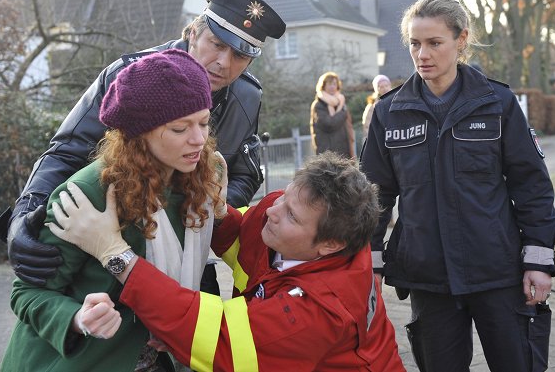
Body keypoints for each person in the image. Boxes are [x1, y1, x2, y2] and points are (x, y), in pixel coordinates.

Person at [0, 0, 286, 294]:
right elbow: (67, 151)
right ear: (194, 33)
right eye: (216, 43)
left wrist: (204, 208)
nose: (224, 62)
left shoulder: (248, 96)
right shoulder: (130, 74)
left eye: (240, 54)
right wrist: (24, 214)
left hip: (189, 254)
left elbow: (244, 171)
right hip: (113, 241)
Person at [45, 151, 405, 371]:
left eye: (292, 216)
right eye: (283, 197)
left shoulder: (319, 310)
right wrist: (214, 210)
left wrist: (114, 253)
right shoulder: (295, 218)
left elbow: (218, 338)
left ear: (329, 245)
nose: (273, 211)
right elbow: (244, 240)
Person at [361, 0, 555, 372]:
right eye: (415, 44)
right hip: (428, 275)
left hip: (497, 270)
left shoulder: (497, 104)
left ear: (461, 39)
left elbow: (530, 185)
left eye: (434, 43)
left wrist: (538, 259)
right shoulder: (390, 113)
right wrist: (368, 262)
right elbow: (373, 194)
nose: (423, 54)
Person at [0, 49, 228, 372]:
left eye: (204, 122)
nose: (198, 140)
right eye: (180, 129)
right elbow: (26, 293)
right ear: (139, 134)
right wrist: (77, 319)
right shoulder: (90, 193)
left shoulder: (204, 176)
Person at [310, 72, 356, 158]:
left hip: (344, 151)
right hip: (328, 154)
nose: (332, 87)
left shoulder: (341, 103)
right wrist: (343, 113)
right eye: (329, 84)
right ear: (323, 86)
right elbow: (329, 124)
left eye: (334, 84)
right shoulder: (319, 105)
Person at [362, 74, 392, 139]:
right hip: (378, 138)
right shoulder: (372, 106)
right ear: (376, 89)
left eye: (386, 85)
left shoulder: (396, 101)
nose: (385, 88)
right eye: (381, 87)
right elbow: (367, 125)